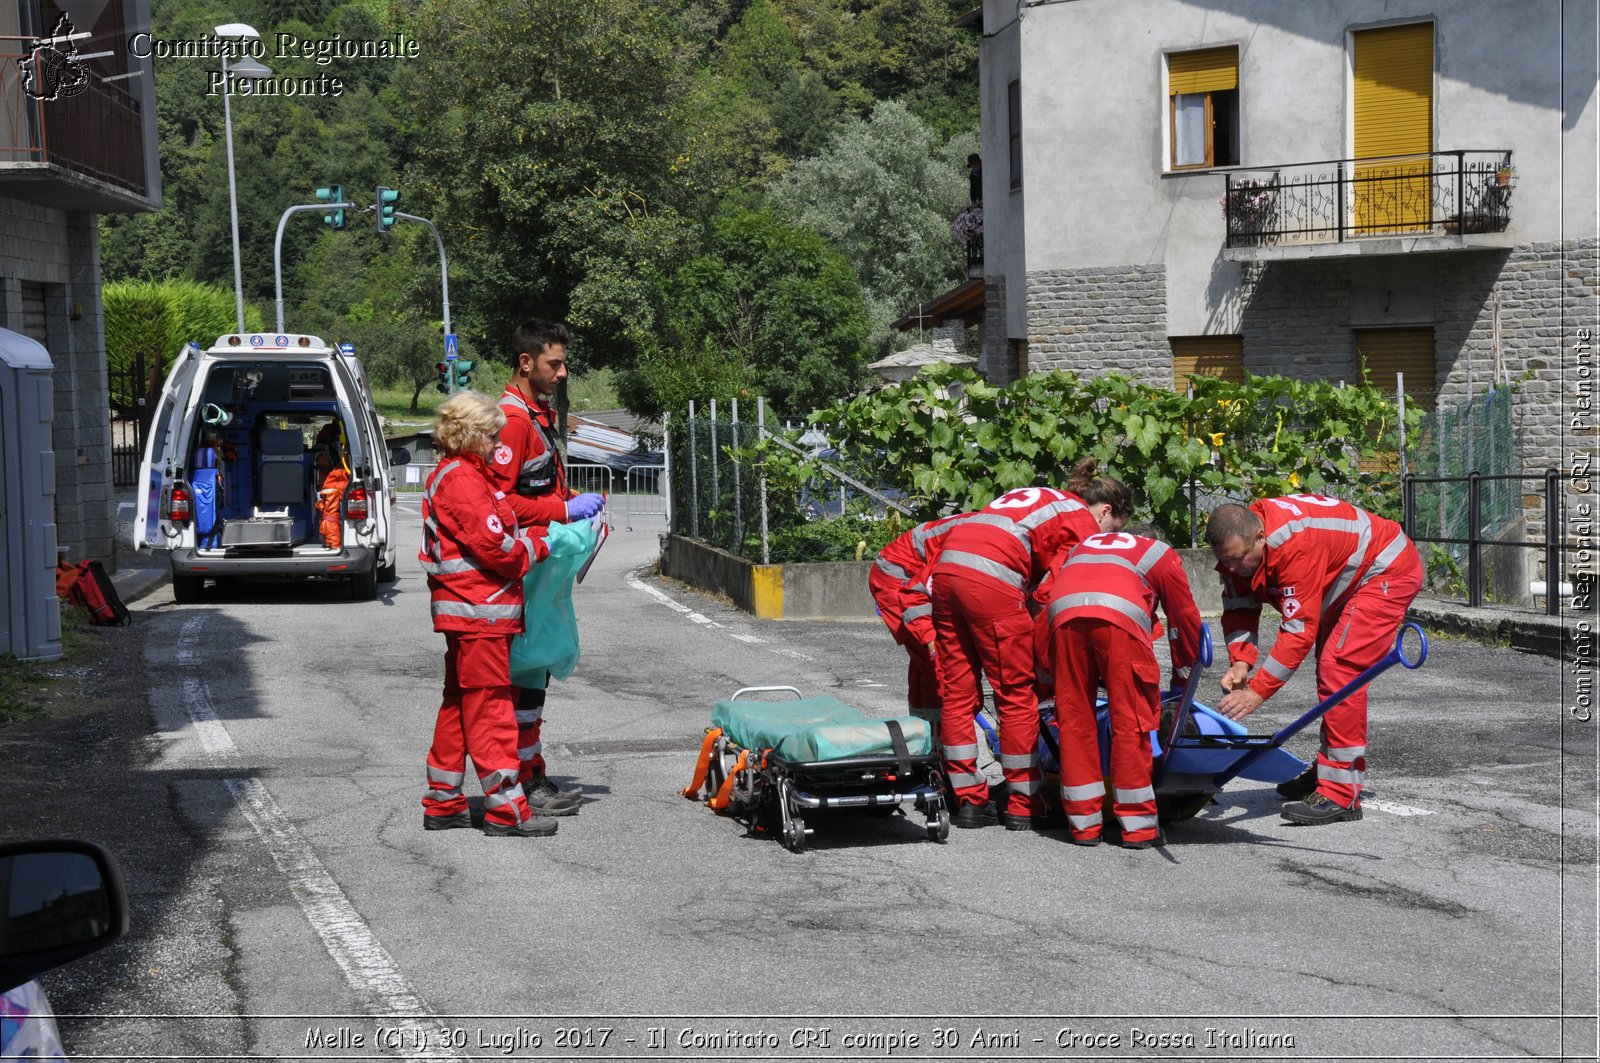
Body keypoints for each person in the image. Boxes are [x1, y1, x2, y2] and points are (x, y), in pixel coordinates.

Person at [927, 459, 1132, 831]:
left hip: (945, 575)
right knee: (1015, 691)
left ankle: (969, 800)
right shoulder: (1084, 522)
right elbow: (1051, 592)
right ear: (1105, 512)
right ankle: (1025, 804)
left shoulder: (1043, 498)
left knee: (958, 692)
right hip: (991, 580)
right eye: (1113, 530)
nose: (1105, 539)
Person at [1206, 495, 1422, 825]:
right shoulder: (1238, 550)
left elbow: (1297, 632)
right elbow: (1239, 610)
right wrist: (1240, 663)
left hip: (1385, 570)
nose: (1233, 569)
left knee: (1339, 669)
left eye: (1238, 560)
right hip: (1349, 579)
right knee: (1334, 669)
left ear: (1260, 536)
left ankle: (1340, 794)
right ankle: (1328, 770)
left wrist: (1257, 691)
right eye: (1226, 563)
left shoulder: (1294, 546)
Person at [419, 392, 555, 838]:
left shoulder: (463, 475)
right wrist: (538, 547)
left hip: (470, 611)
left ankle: (444, 801)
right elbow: (496, 547)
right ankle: (506, 809)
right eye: (492, 434)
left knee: (460, 705)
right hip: (481, 612)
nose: (498, 442)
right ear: (473, 434)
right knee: (492, 708)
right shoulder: (463, 480)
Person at [485, 319, 603, 816]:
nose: (562, 372)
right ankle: (523, 781)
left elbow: (537, 489)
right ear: (526, 363)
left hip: (538, 567)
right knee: (524, 677)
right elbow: (500, 501)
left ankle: (531, 775)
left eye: (564, 363)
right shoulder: (513, 421)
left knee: (534, 677)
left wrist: (572, 501)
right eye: (554, 363)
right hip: (521, 570)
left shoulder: (536, 415)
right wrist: (562, 512)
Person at [1046, 529, 1202, 848]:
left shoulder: (1083, 546)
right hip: (1120, 621)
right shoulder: (1160, 553)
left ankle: (1083, 826)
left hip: (1062, 617)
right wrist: (1182, 682)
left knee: (1074, 720)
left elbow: (1045, 596)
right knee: (1131, 720)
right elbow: (1183, 619)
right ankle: (1138, 827)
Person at [868, 513, 971, 713]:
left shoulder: (998, 523)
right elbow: (914, 598)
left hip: (910, 567)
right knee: (937, 661)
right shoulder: (980, 535)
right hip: (898, 575)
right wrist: (931, 643)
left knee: (925, 661)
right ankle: (936, 735)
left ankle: (923, 729)